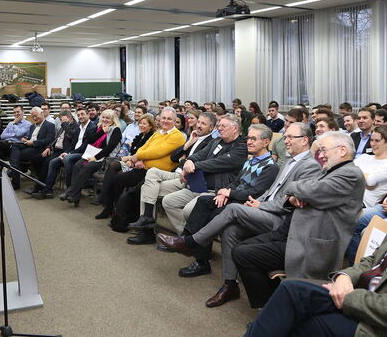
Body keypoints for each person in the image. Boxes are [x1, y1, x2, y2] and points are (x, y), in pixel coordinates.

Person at [158, 123, 321, 307]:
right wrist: (238, 195)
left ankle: (190, 242)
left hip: (279, 219)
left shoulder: (308, 166)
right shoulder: (289, 162)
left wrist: (260, 204)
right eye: (286, 137)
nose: (286, 141)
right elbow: (270, 192)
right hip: (262, 207)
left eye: (290, 137)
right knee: (230, 230)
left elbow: (289, 201)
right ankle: (230, 285)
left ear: (305, 140)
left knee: (232, 209)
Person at [232, 131, 364, 309]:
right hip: (292, 231)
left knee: (243, 254)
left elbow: (307, 189)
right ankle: (274, 303)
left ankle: (270, 307)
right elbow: (305, 190)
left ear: (342, 150)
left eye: (324, 150)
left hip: (310, 243)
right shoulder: (331, 170)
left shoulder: (350, 174)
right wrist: (294, 196)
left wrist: (294, 190)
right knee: (239, 248)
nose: (320, 155)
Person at [176, 124, 279, 277]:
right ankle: (185, 240)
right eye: (248, 138)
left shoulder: (271, 167)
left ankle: (198, 258)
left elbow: (255, 193)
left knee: (212, 215)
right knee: (203, 201)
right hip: (233, 197)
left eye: (253, 139)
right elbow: (236, 182)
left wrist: (229, 193)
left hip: (246, 204)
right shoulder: (250, 161)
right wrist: (224, 193)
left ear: (266, 142)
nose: (248, 142)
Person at [243, 238, 387, 337]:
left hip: (375, 321)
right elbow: (373, 260)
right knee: (290, 290)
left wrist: (350, 296)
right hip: (360, 294)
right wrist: (344, 276)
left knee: (302, 321)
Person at [126, 112, 215, 244]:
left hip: (189, 179)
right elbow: (174, 157)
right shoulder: (193, 137)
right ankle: (147, 228)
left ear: (211, 128)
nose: (199, 126)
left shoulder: (211, 143)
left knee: (147, 184)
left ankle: (184, 238)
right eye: (199, 122)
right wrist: (188, 143)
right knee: (147, 184)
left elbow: (194, 164)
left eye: (204, 124)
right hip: (176, 174)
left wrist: (183, 161)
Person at [161, 114, 248, 235]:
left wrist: (193, 166)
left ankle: (191, 239)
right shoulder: (216, 141)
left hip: (215, 190)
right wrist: (189, 161)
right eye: (219, 126)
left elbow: (217, 163)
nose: (219, 128)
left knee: (188, 211)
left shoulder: (241, 147)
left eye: (223, 126)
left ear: (235, 128)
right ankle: (185, 237)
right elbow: (200, 154)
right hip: (198, 185)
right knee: (168, 201)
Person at [94, 114, 156, 219]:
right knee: (112, 166)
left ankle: (112, 207)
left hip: (140, 166)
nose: (141, 125)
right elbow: (133, 152)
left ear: (150, 126)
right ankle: (107, 205)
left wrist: (131, 160)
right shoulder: (140, 136)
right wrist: (130, 159)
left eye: (144, 124)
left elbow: (145, 155)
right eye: (140, 123)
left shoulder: (151, 137)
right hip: (131, 162)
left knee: (117, 175)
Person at [59, 109, 122, 205]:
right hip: (91, 154)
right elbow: (90, 140)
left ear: (113, 120)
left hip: (105, 158)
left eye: (108, 118)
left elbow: (109, 149)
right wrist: (102, 131)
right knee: (77, 165)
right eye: (103, 117)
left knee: (87, 167)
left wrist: (95, 157)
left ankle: (70, 192)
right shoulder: (99, 127)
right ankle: (75, 197)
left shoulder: (116, 130)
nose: (105, 120)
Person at [30, 110, 80, 199]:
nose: (61, 122)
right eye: (60, 120)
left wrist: (65, 125)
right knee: (36, 159)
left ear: (69, 118)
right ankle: (41, 183)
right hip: (55, 150)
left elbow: (71, 137)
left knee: (48, 162)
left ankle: (44, 188)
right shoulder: (63, 126)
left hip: (64, 151)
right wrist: (49, 147)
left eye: (62, 119)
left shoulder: (76, 127)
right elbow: (55, 139)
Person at [8, 106, 56, 190]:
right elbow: (31, 137)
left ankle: (14, 174)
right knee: (15, 146)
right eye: (33, 116)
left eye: (36, 116)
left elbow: (49, 140)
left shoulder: (50, 125)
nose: (34, 118)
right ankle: (14, 167)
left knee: (15, 155)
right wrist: (25, 139)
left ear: (42, 113)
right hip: (29, 144)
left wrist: (33, 142)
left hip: (39, 148)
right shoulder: (32, 126)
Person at [354, 125, 387, 208]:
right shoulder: (364, 157)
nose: (372, 144)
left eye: (377, 141)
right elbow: (346, 171)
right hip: (347, 195)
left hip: (363, 203)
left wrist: (356, 175)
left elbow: (370, 181)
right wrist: (365, 183)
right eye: (371, 140)